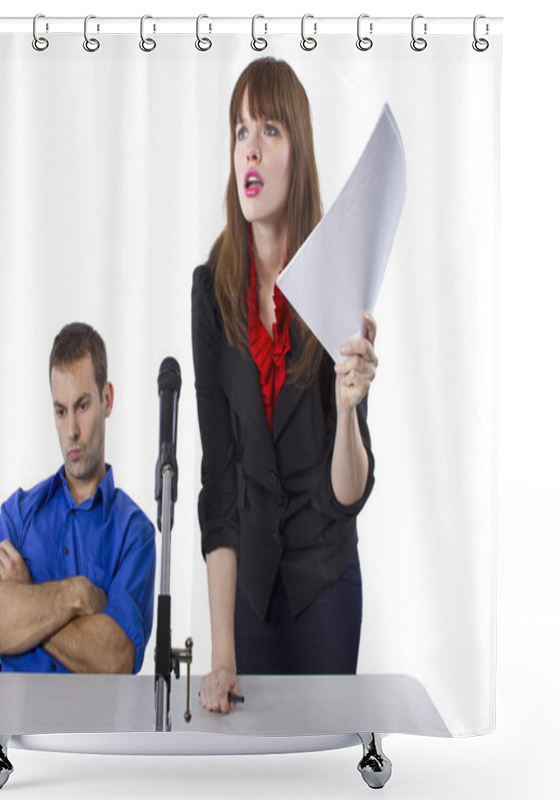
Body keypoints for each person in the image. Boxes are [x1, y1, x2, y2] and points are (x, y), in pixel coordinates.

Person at [192, 58, 378, 713]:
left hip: (325, 583)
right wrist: (221, 655)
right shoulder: (211, 290)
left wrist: (349, 411)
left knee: (320, 769)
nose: (250, 146)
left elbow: (349, 493)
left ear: (297, 152)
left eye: (270, 129)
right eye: (240, 130)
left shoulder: (336, 278)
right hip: (250, 594)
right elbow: (220, 482)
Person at [0, 323, 156, 674]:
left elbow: (115, 659)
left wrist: (25, 598)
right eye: (60, 411)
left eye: (82, 406)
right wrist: (76, 594)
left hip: (89, 729)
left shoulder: (134, 533)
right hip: (13, 726)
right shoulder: (19, 514)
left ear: (107, 399)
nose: (71, 432)